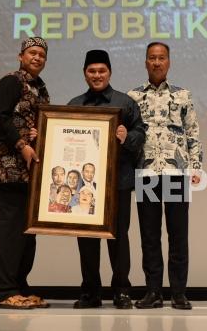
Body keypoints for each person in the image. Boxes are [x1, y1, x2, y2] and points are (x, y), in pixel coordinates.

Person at [68, 49, 146, 310]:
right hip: (84, 185)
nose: (97, 75)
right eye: (92, 71)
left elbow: (141, 135)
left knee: (118, 238)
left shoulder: (125, 102)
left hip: (118, 183)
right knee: (86, 238)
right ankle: (90, 292)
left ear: (109, 72)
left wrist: (127, 137)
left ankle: (122, 291)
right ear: (84, 73)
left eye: (101, 71)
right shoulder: (74, 104)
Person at [128, 42, 203, 310]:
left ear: (169, 62)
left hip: (175, 173)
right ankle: (153, 292)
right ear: (145, 62)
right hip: (146, 173)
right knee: (149, 236)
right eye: (152, 58)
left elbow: (192, 132)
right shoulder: (133, 97)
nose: (157, 62)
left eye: (161, 58)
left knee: (177, 234)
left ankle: (179, 293)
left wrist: (195, 167)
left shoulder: (182, 95)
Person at [0, 37, 51, 309]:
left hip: (32, 175)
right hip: (8, 171)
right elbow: (0, 116)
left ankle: (20, 286)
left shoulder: (41, 89)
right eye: (32, 53)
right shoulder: (10, 82)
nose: (37, 58)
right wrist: (22, 144)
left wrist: (38, 134)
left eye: (41, 55)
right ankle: (4, 291)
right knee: (6, 233)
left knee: (27, 232)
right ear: (20, 56)